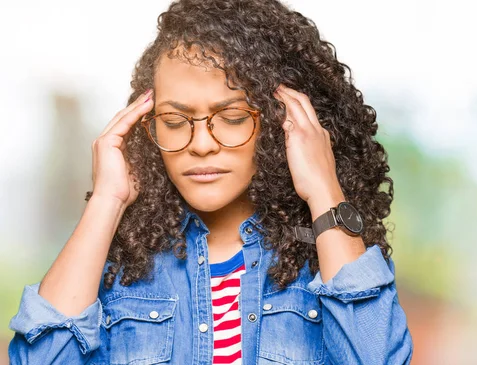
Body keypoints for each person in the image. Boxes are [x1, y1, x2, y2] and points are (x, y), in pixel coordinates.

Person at [7, 0, 414, 364]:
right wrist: (106, 200)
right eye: (173, 121)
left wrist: (323, 188)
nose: (201, 144)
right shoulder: (116, 271)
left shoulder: (332, 258)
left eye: (233, 118)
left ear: (280, 124)